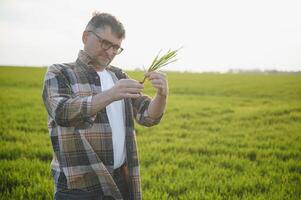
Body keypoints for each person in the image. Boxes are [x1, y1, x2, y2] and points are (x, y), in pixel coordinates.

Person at [42, 12, 168, 200]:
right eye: (105, 43)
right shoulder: (61, 72)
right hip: (79, 188)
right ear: (86, 37)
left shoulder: (119, 76)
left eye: (116, 47)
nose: (110, 52)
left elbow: (147, 116)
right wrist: (110, 95)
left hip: (121, 180)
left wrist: (162, 95)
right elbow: (62, 111)